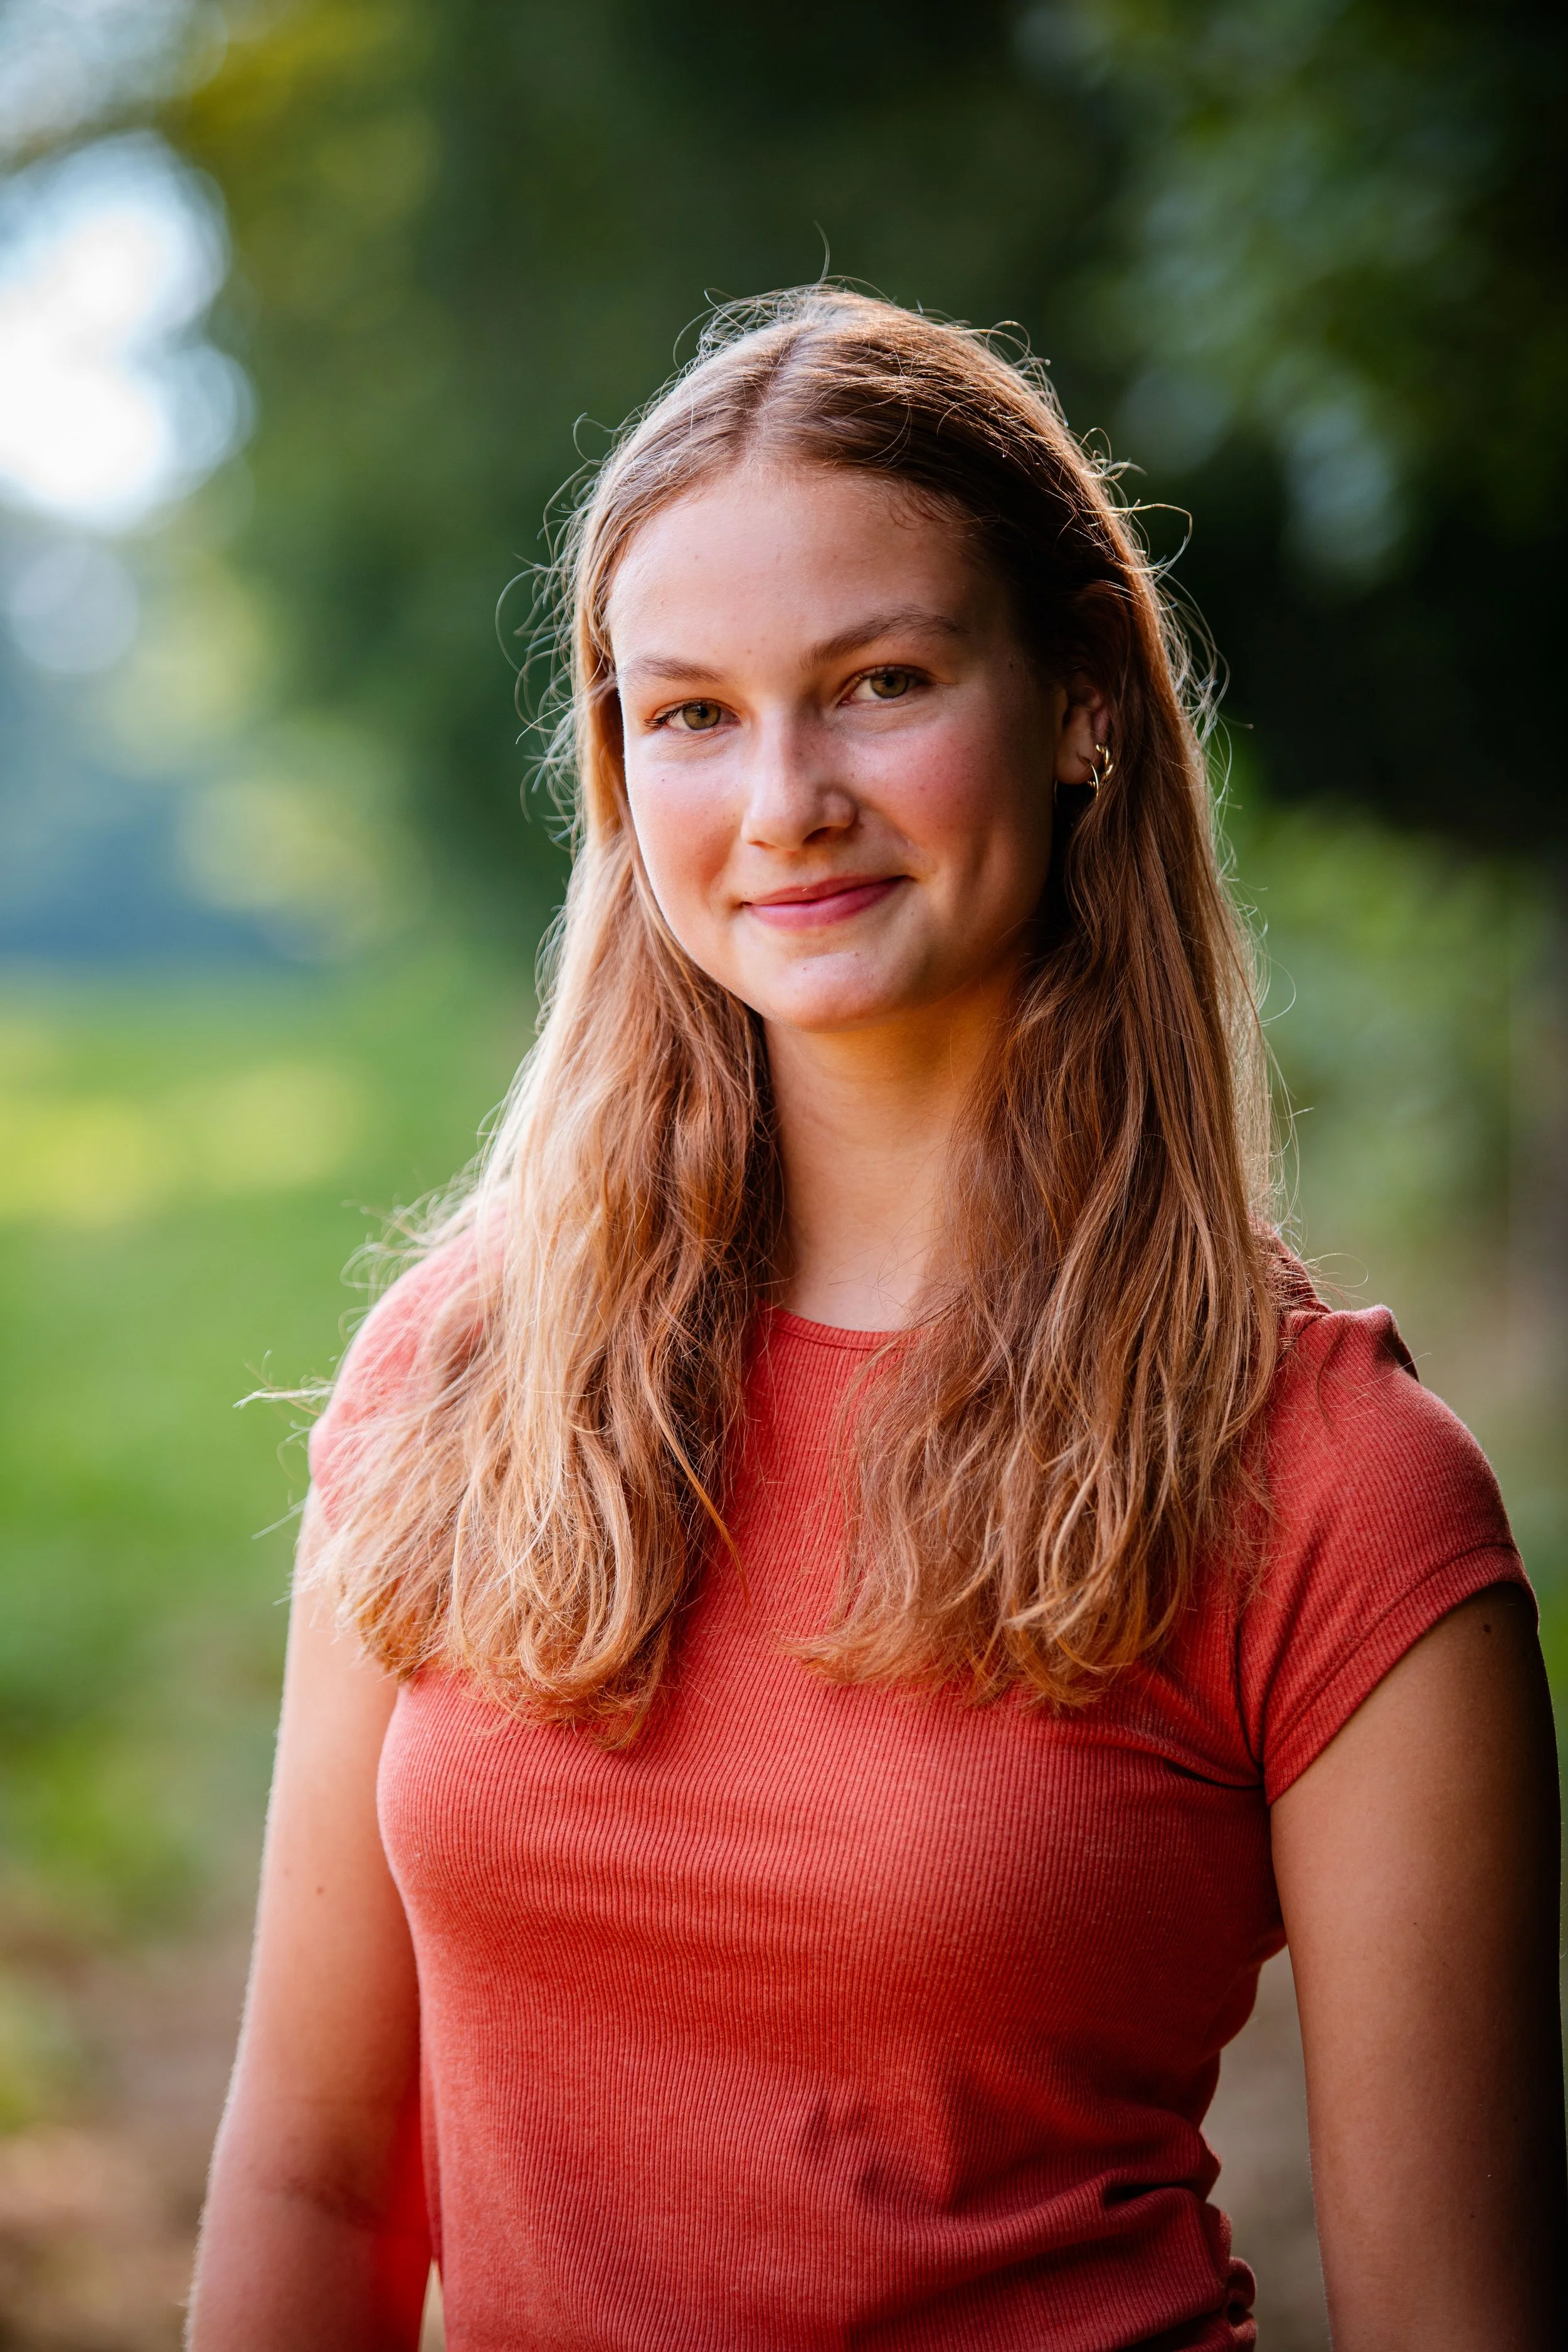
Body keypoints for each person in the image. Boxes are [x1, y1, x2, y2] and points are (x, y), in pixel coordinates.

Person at [189, 289, 1565, 2352]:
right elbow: (310, 2177)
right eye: (693, 714)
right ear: (616, 760)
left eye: (882, 680)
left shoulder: (1333, 1490)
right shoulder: (454, 1387)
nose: (786, 800)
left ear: (1081, 699)